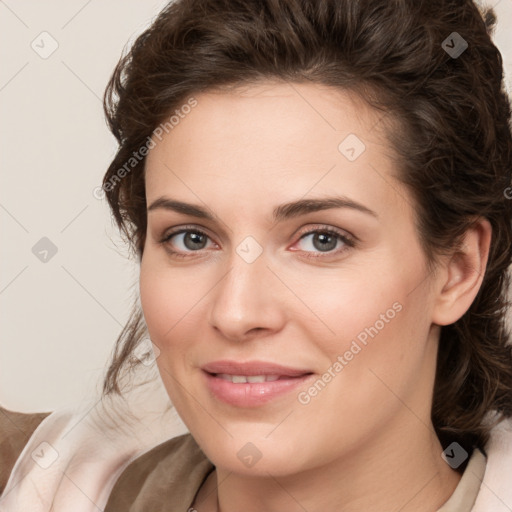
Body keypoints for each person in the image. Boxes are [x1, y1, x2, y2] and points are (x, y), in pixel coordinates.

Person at [1, 0, 512, 510]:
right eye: (191, 238)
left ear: (457, 270)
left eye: (322, 239)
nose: (236, 313)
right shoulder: (37, 481)